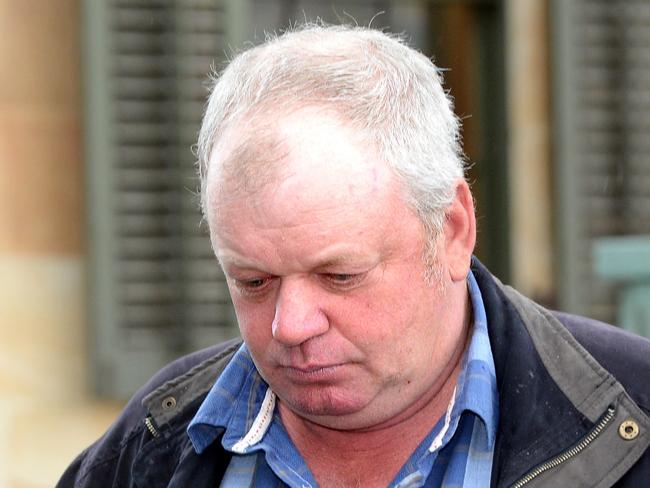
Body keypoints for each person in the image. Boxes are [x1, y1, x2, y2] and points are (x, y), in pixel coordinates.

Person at [58, 24, 650, 487]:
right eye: (253, 281)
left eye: (338, 276)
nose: (289, 325)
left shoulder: (633, 416)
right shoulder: (151, 441)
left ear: (450, 230)